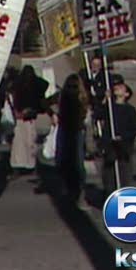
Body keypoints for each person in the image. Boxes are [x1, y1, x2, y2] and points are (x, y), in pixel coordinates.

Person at [97, 81, 136, 198]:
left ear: (126, 94)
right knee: (109, 174)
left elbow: (135, 128)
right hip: (109, 144)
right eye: (116, 87)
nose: (117, 88)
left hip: (123, 146)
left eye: (121, 88)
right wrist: (105, 100)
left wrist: (123, 137)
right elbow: (97, 115)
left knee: (124, 173)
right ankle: (110, 197)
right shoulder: (109, 108)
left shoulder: (130, 109)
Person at [54, 73, 91, 209]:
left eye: (74, 86)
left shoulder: (83, 97)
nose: (72, 89)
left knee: (77, 163)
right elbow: (45, 101)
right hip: (66, 130)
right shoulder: (62, 97)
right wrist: (53, 114)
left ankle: (78, 192)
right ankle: (70, 190)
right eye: (70, 86)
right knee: (66, 161)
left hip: (77, 131)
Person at [9, 65, 49, 176]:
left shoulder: (19, 85)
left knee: (19, 143)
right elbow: (44, 84)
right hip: (31, 117)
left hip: (21, 117)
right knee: (30, 142)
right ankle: (30, 165)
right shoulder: (35, 85)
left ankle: (18, 165)